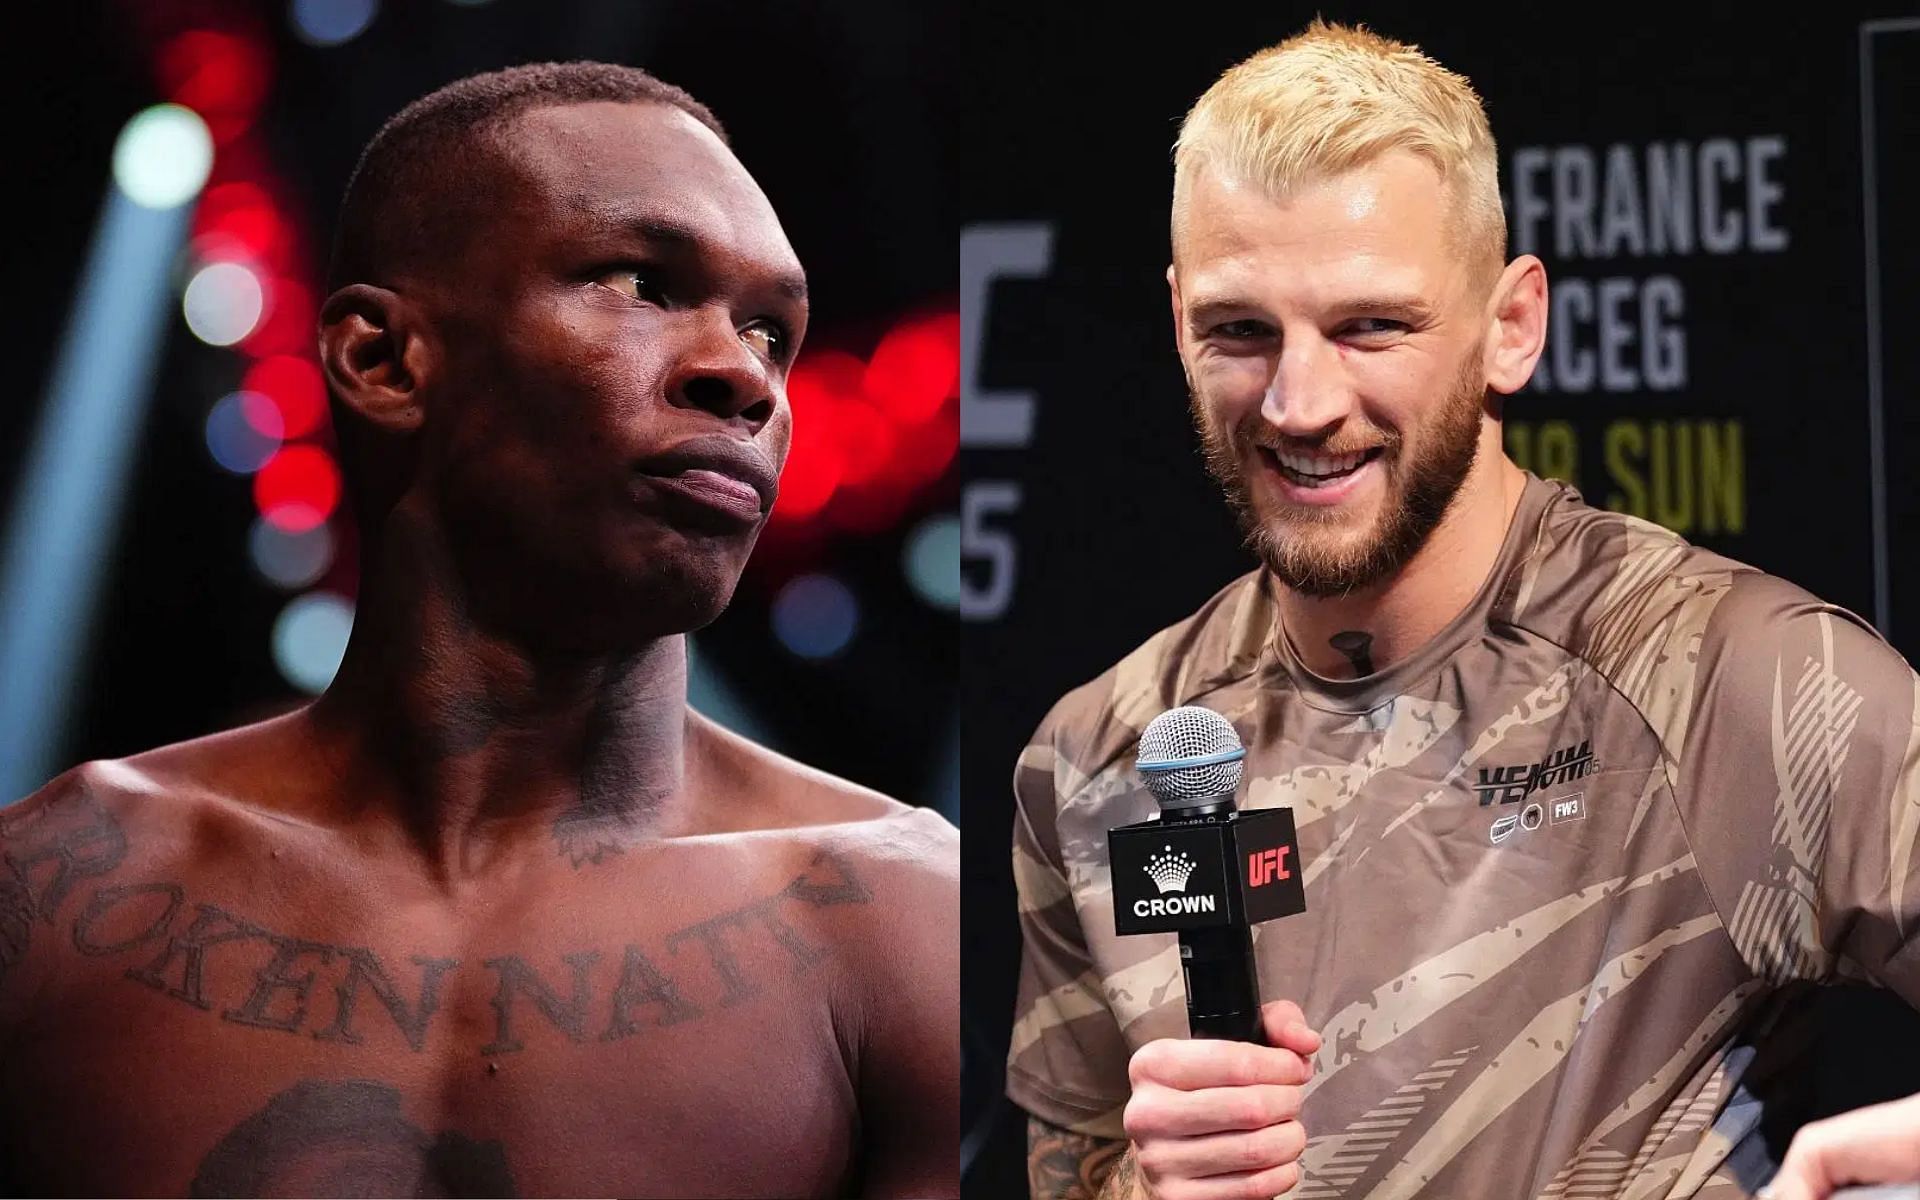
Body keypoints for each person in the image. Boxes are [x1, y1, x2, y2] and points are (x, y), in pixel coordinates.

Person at [0, 62, 957, 1199]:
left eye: (773, 332)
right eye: (641, 282)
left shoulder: (905, 922)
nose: (744, 378)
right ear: (380, 360)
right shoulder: (52, 894)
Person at [1009, 20, 1920, 1200]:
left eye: (1370, 326)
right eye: (1240, 331)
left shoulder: (1731, 676)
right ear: (1178, 319)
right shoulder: (1096, 756)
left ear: (1511, 326)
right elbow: (1067, 1168)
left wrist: (1875, 1174)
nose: (1299, 402)